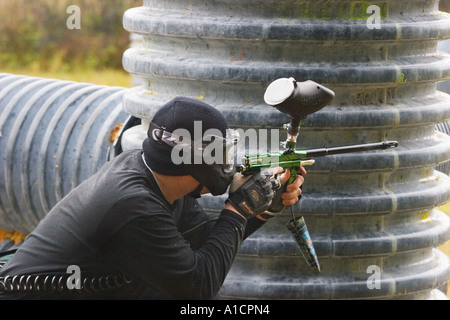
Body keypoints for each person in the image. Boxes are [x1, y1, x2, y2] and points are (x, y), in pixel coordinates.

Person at [0, 97, 305, 300]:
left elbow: (204, 243)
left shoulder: (158, 178)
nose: (225, 163)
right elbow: (197, 288)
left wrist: (262, 207)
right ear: (190, 160)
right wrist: (239, 209)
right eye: (218, 153)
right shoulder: (134, 205)